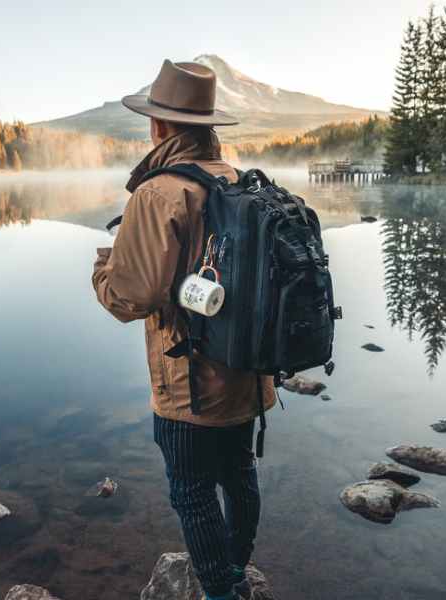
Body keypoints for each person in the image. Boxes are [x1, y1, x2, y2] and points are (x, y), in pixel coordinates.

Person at [92, 59, 276, 600]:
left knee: (192, 491)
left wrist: (102, 270)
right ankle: (238, 571)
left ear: (160, 126)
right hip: (248, 370)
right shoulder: (240, 181)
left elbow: (131, 297)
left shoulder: (159, 192)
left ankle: (221, 592)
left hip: (188, 384)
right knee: (239, 474)